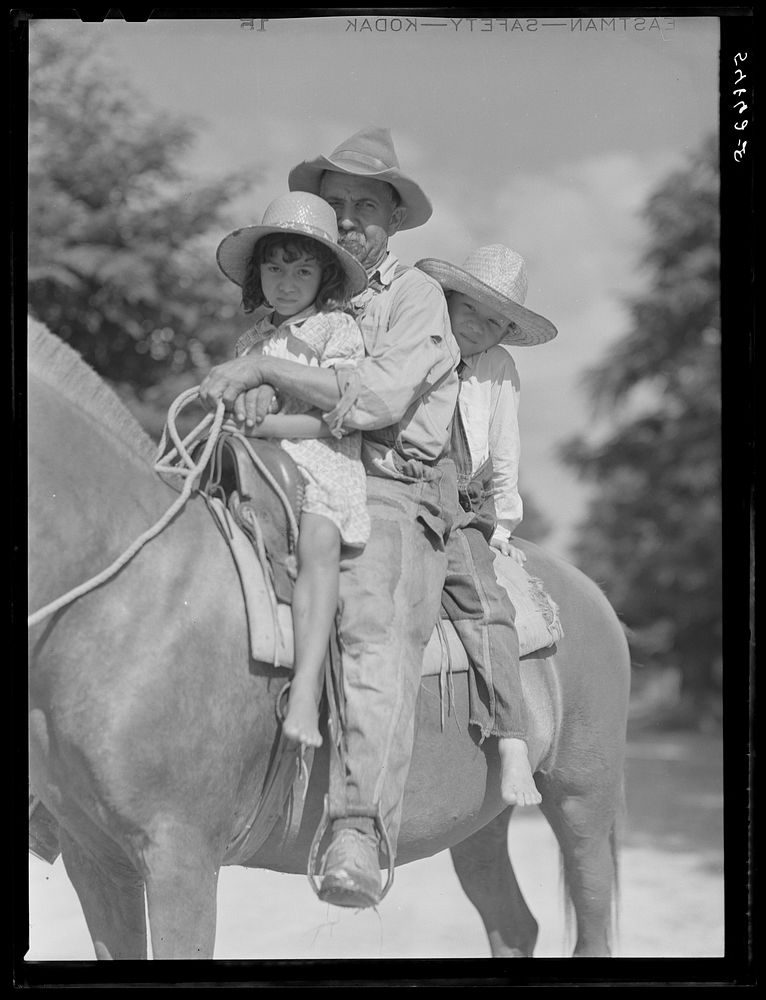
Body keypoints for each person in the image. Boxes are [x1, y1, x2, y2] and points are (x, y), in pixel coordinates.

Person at [199, 127, 461, 908]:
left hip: (386, 481)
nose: (347, 217)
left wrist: (265, 370)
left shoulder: (413, 296)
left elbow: (380, 400)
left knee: (371, 616)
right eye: (334, 203)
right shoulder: (308, 288)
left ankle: (357, 828)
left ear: (393, 219)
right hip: (283, 464)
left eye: (364, 206)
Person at [216, 190, 370, 749]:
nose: (286, 281)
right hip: (256, 460)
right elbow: (240, 405)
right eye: (275, 267)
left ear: (324, 274)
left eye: (302, 269)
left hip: (323, 462)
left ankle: (305, 687)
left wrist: (267, 424)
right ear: (258, 274)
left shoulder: (337, 330)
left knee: (318, 543)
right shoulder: (251, 340)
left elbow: (341, 419)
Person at [416, 245, 558, 807]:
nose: (477, 326)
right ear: (447, 301)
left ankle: (513, 736)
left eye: (494, 321)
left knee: (483, 599)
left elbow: (504, 446)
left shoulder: (499, 369)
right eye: (469, 309)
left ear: (505, 334)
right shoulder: (415, 340)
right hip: (404, 480)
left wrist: (502, 524)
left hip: (461, 496)